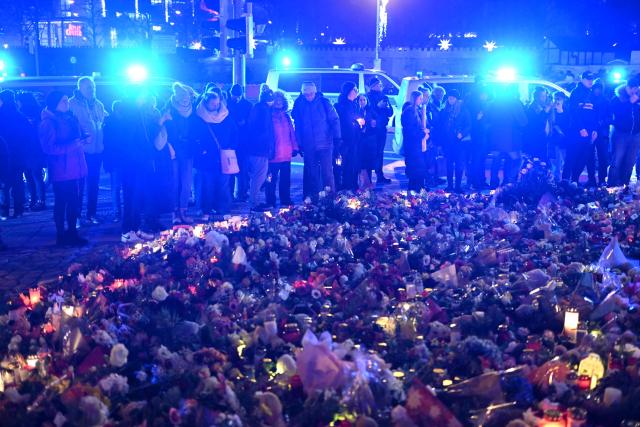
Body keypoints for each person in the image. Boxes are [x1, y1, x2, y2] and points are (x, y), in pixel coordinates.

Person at [39, 91, 88, 246]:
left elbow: (74, 138)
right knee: (62, 202)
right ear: (55, 103)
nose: (67, 103)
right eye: (64, 100)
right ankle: (62, 235)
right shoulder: (48, 122)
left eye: (67, 100)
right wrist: (74, 145)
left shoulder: (69, 118)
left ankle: (72, 232)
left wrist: (84, 139)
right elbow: (48, 148)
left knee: (74, 203)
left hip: (74, 167)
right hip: (62, 169)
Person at [119, 91, 168, 243]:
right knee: (130, 198)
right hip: (132, 164)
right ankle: (128, 231)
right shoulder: (129, 114)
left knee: (137, 198)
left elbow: (146, 135)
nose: (144, 98)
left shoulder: (137, 113)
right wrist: (139, 158)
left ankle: (136, 228)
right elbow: (129, 141)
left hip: (140, 161)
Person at [291, 81, 341, 199]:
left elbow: (334, 120)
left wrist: (337, 137)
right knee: (312, 174)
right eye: (306, 94)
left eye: (310, 94)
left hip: (325, 143)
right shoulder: (299, 104)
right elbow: (298, 125)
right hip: (308, 145)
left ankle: (330, 197)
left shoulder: (324, 103)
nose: (308, 97)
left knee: (327, 172)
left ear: (315, 92)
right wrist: (299, 143)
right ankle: (315, 197)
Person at [192, 91, 236, 220]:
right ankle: (206, 209)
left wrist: (231, 147)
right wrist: (201, 150)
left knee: (223, 183)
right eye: (212, 104)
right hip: (206, 157)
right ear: (206, 103)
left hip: (223, 155)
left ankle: (223, 208)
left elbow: (235, 133)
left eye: (217, 103)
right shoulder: (199, 117)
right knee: (207, 184)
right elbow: (194, 136)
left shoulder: (225, 115)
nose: (216, 106)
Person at [69, 76, 108, 224]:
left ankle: (91, 214)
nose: (92, 90)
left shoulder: (98, 104)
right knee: (78, 185)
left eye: (93, 87)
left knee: (94, 184)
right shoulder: (72, 104)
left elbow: (103, 123)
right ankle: (76, 216)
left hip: (97, 151)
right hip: (81, 151)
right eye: (88, 87)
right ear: (80, 88)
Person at [164, 82, 197, 224]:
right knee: (174, 182)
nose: (185, 99)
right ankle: (174, 213)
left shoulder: (192, 110)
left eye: (187, 97)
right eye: (182, 97)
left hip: (188, 149)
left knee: (186, 182)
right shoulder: (169, 109)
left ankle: (183, 210)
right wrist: (169, 146)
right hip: (174, 150)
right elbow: (164, 130)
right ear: (176, 98)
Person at [486, 85, 528, 188]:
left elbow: (488, 119)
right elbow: (523, 121)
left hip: (495, 137)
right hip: (510, 137)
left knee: (496, 159)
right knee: (516, 160)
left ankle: (493, 183)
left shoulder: (493, 103)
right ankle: (508, 182)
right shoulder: (515, 103)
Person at [266, 90, 298, 207]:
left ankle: (285, 199)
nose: (278, 102)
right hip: (273, 155)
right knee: (271, 180)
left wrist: (295, 147)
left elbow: (292, 133)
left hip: (286, 154)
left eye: (280, 100)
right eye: (276, 100)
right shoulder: (268, 117)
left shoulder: (286, 117)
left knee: (285, 180)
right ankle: (270, 200)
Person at [0, 90, 29, 219]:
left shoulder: (1, 115)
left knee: (4, 184)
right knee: (18, 182)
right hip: (19, 155)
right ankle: (19, 210)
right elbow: (27, 136)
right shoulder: (20, 116)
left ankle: (4, 211)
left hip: (4, 155)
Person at [246, 85, 276, 211]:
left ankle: (254, 200)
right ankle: (254, 203)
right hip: (260, 150)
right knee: (259, 176)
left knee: (256, 176)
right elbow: (265, 132)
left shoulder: (256, 108)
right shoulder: (265, 110)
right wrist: (269, 148)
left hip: (254, 149)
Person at [16, 91, 47, 211]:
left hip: (30, 149)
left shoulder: (25, 114)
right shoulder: (37, 112)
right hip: (34, 149)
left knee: (33, 176)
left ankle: (37, 200)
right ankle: (37, 200)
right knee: (33, 175)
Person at [567, 71, 599, 185]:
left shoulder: (591, 93)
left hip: (589, 131)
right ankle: (571, 181)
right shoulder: (576, 93)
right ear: (582, 79)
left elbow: (594, 113)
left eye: (592, 79)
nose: (590, 81)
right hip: (577, 132)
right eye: (588, 79)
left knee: (587, 157)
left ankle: (580, 181)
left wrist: (594, 129)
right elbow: (573, 113)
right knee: (575, 157)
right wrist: (581, 128)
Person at [608, 75, 640, 186]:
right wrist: (629, 103)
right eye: (631, 88)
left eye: (636, 88)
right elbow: (616, 115)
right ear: (627, 87)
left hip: (636, 135)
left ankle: (624, 185)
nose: (633, 91)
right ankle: (611, 185)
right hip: (620, 134)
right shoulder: (618, 98)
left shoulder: (638, 98)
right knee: (617, 160)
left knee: (630, 162)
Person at [438, 89, 471, 192]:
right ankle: (450, 186)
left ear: (457, 99)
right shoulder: (445, 110)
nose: (450, 100)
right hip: (448, 142)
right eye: (449, 98)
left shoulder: (463, 110)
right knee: (449, 164)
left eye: (452, 98)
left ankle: (458, 186)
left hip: (459, 142)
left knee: (459, 164)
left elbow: (469, 124)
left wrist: (462, 133)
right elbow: (441, 125)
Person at [334, 81, 361, 191]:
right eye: (355, 90)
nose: (356, 92)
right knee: (341, 164)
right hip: (343, 139)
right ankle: (340, 186)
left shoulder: (354, 104)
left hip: (353, 139)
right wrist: (357, 122)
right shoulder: (341, 105)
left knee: (352, 162)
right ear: (349, 91)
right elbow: (345, 122)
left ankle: (350, 184)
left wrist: (360, 124)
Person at [227, 84, 253, 201]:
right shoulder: (226, 104)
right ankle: (230, 194)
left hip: (244, 142)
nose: (235, 98)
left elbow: (252, 123)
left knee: (243, 170)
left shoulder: (248, 105)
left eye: (238, 96)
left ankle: (242, 194)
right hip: (231, 143)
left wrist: (245, 122)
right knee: (230, 170)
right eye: (234, 95)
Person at [367, 77, 393, 184]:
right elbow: (368, 112)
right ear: (372, 86)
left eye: (381, 84)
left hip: (382, 128)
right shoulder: (368, 97)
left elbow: (390, 113)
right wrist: (377, 107)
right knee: (370, 152)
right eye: (378, 85)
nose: (380, 86)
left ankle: (380, 175)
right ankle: (368, 177)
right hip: (372, 130)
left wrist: (386, 107)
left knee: (380, 152)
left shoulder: (384, 97)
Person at [103, 100, 125, 222]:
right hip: (117, 160)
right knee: (116, 187)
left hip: (121, 160)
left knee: (118, 187)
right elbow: (106, 145)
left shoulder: (110, 123)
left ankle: (119, 212)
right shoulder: (110, 124)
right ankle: (117, 212)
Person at [465, 83, 490, 189]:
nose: (486, 96)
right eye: (485, 94)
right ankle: (476, 181)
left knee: (479, 159)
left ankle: (479, 180)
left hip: (480, 136)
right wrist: (478, 119)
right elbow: (471, 122)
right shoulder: (476, 105)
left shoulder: (477, 103)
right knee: (477, 160)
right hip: (478, 136)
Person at [402, 91, 428, 192]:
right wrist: (422, 133)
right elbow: (410, 130)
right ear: (415, 98)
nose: (421, 100)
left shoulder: (416, 110)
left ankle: (419, 187)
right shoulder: (409, 111)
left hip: (417, 143)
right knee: (415, 166)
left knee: (420, 166)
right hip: (412, 145)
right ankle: (414, 188)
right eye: (420, 98)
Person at [592, 79, 611, 186]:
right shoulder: (590, 99)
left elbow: (611, 117)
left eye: (599, 89)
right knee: (590, 157)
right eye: (596, 88)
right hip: (591, 131)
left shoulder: (606, 101)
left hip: (602, 132)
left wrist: (602, 122)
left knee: (602, 157)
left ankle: (602, 179)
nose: (597, 91)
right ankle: (591, 179)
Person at [524, 87, 552, 161]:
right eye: (542, 96)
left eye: (545, 96)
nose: (545, 98)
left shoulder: (542, 107)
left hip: (542, 138)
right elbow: (538, 123)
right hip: (536, 140)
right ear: (536, 97)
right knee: (537, 162)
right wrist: (545, 111)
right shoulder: (533, 108)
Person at [356, 93, 376, 190]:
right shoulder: (356, 110)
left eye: (364, 100)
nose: (362, 102)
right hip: (359, 139)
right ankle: (362, 182)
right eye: (361, 100)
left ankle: (369, 182)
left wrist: (372, 123)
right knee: (360, 161)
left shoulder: (370, 110)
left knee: (369, 161)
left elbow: (375, 121)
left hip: (369, 139)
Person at [549, 91, 571, 182]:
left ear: (563, 100)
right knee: (556, 162)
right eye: (555, 98)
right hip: (554, 139)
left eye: (559, 99)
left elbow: (568, 123)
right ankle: (556, 180)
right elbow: (552, 123)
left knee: (566, 160)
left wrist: (560, 111)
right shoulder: (551, 110)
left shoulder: (567, 110)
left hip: (565, 139)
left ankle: (566, 180)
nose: (557, 101)